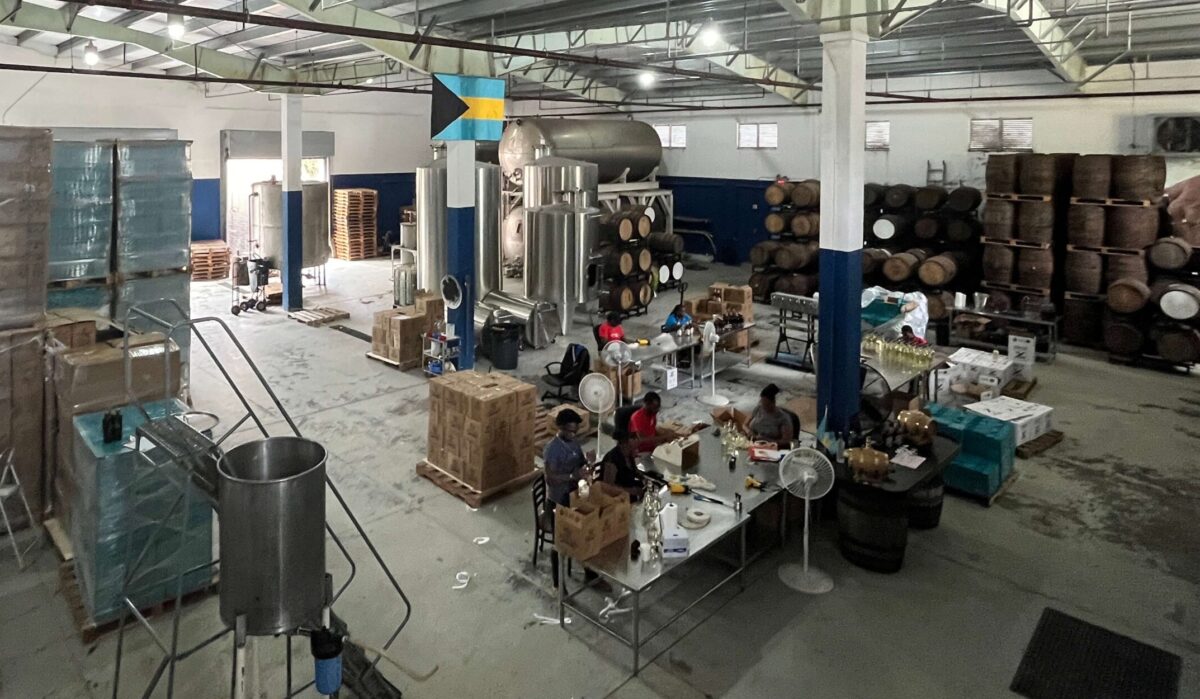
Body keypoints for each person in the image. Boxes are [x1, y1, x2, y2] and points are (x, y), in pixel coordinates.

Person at [542, 409, 588, 507]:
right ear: (561, 427)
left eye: (576, 431)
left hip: (575, 489)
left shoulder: (574, 442)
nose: (574, 434)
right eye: (571, 431)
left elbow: (581, 462)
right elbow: (550, 479)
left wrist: (587, 462)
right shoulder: (552, 449)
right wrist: (572, 476)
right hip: (560, 497)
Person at [600, 431, 644, 500]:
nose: (638, 440)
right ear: (624, 443)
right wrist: (631, 490)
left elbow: (633, 471)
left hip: (629, 487)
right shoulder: (611, 460)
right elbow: (608, 487)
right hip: (618, 497)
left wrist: (643, 477)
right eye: (634, 438)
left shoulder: (628, 454)